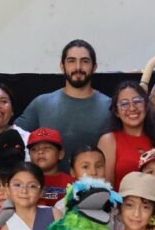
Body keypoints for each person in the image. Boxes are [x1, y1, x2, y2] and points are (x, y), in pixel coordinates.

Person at [14, 39, 111, 167]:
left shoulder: (110, 106)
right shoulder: (42, 104)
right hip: (47, 180)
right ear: (62, 66)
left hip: (94, 179)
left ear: (94, 67)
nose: (78, 67)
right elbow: (13, 137)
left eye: (85, 61)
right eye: (71, 61)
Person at [98, 81, 155, 189]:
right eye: (124, 104)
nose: (132, 108)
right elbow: (106, 190)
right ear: (116, 112)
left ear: (146, 106)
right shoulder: (109, 140)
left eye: (137, 101)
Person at [27, 127, 74, 206]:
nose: (40, 152)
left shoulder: (72, 183)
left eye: (47, 148)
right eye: (34, 149)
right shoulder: (23, 181)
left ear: (60, 154)